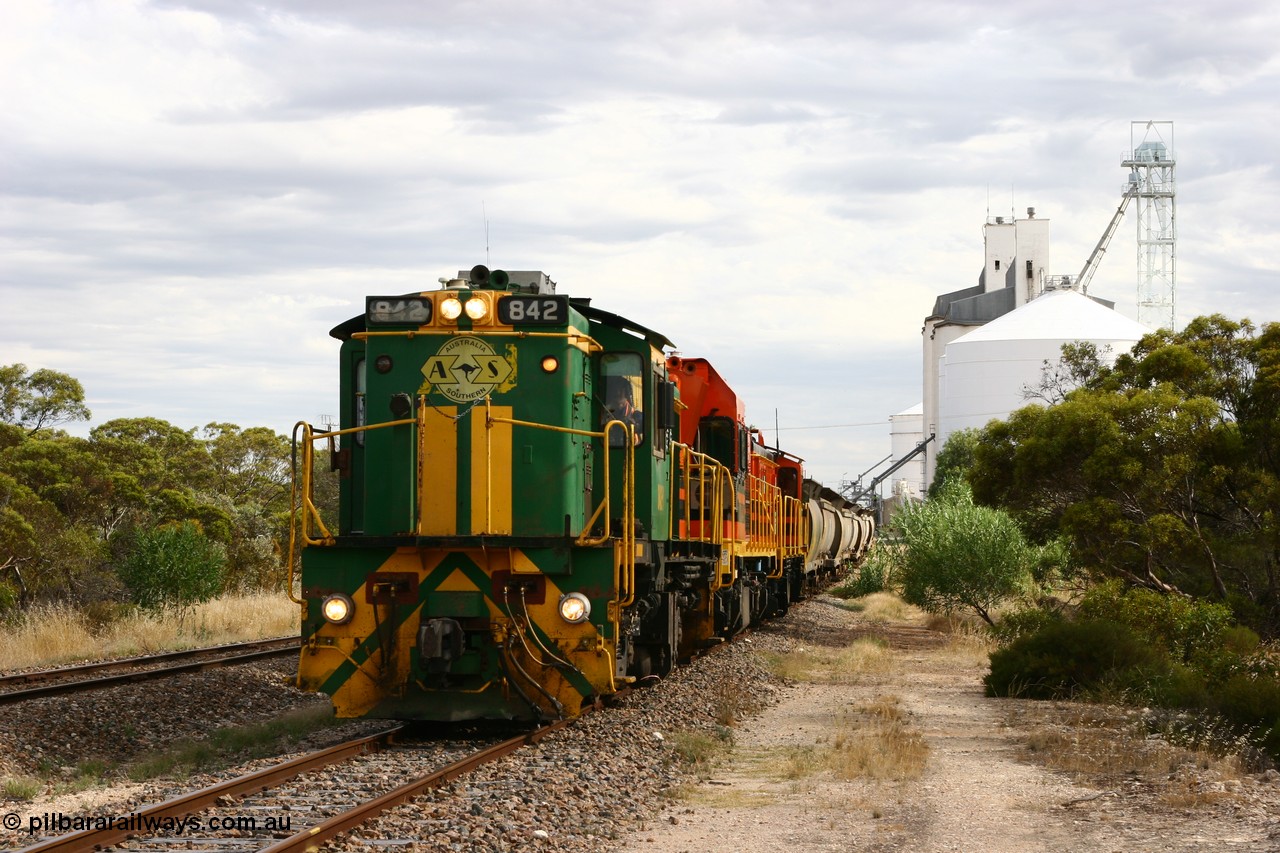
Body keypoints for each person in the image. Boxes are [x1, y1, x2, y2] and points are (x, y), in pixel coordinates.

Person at [602, 376, 643, 446]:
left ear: (627, 393)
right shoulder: (603, 413)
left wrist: (635, 425)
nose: (618, 393)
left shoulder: (636, 415)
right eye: (615, 390)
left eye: (621, 390)